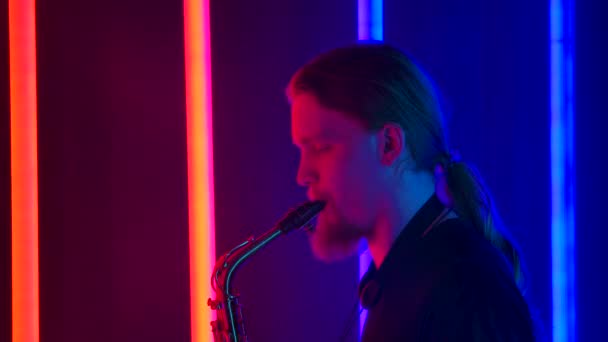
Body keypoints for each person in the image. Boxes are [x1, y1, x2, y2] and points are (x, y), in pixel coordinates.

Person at [287, 42, 537, 341]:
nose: (302, 175)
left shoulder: (465, 285)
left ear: (390, 144)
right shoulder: (404, 276)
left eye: (321, 148)